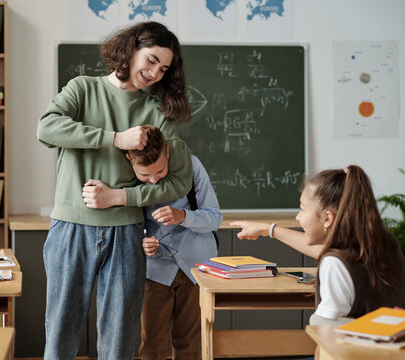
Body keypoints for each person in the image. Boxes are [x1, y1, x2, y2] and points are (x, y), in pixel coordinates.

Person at [37, 22, 193, 359]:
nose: (154, 73)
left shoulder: (157, 112)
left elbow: (180, 181)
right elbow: (46, 128)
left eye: (163, 69)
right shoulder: (82, 89)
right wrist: (115, 138)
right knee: (61, 331)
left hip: (126, 232)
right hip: (70, 228)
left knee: (120, 339)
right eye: (151, 60)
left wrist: (122, 197)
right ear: (131, 49)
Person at [231, 165, 405, 326]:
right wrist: (269, 229)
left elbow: (325, 329)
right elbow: (331, 254)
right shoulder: (385, 247)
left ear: (327, 218)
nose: (298, 217)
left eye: (302, 209)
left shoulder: (334, 263)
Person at [130, 125, 223, 359]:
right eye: (144, 176)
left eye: (160, 171)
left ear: (168, 152)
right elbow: (126, 224)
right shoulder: (125, 176)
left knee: (190, 345)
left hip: (197, 269)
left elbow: (215, 217)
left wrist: (184, 217)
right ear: (129, 159)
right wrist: (142, 241)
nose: (153, 180)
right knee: (152, 347)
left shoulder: (192, 166)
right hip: (155, 271)